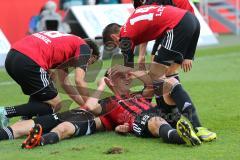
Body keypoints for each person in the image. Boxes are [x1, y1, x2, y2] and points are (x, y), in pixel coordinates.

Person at [0, 67, 215, 149]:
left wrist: (128, 70)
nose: (124, 81)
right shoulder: (107, 104)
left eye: (125, 79)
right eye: (119, 79)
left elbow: (155, 83)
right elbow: (91, 106)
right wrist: (103, 85)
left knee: (166, 93)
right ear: (111, 83)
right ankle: (37, 140)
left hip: (151, 115)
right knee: (65, 125)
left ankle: (185, 132)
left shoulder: (137, 95)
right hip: (138, 122)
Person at [0, 31, 100, 127]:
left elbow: (65, 83)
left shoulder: (68, 43)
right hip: (29, 60)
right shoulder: (85, 48)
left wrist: (84, 105)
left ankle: (25, 119)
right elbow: (79, 80)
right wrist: (91, 106)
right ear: (92, 54)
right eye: (90, 62)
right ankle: (5, 112)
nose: (86, 64)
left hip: (12, 57)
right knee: (56, 105)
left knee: (45, 98)